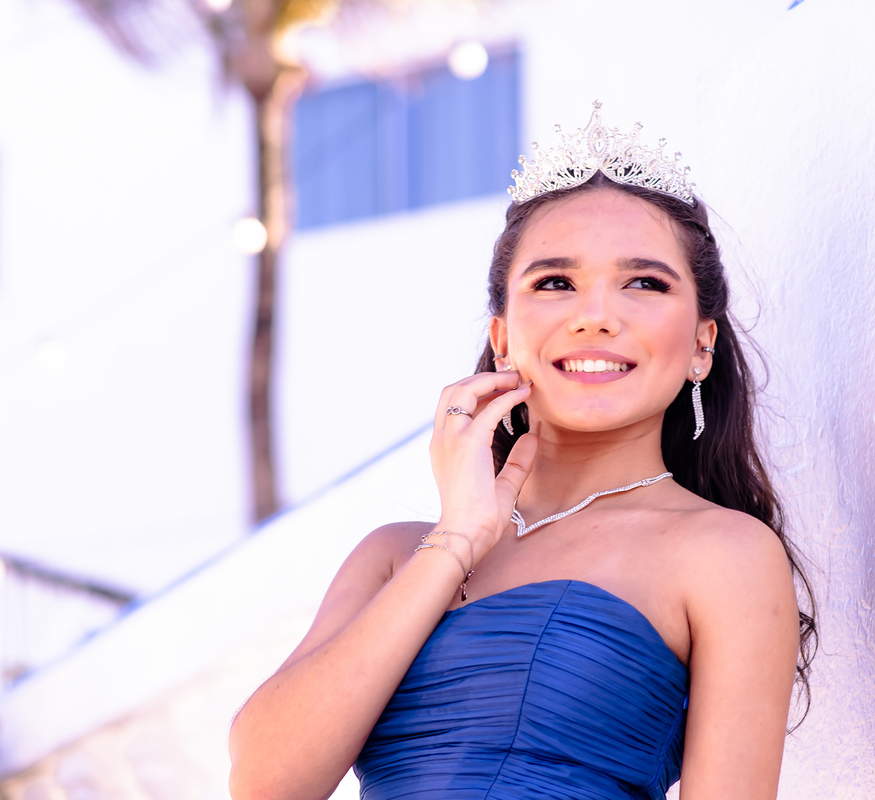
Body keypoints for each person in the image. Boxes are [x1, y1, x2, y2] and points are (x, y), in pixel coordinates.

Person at [228, 104, 816, 800]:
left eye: (645, 283)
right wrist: (455, 541)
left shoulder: (724, 554)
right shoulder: (393, 555)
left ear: (701, 344)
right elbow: (265, 783)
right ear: (503, 339)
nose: (595, 316)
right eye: (555, 283)